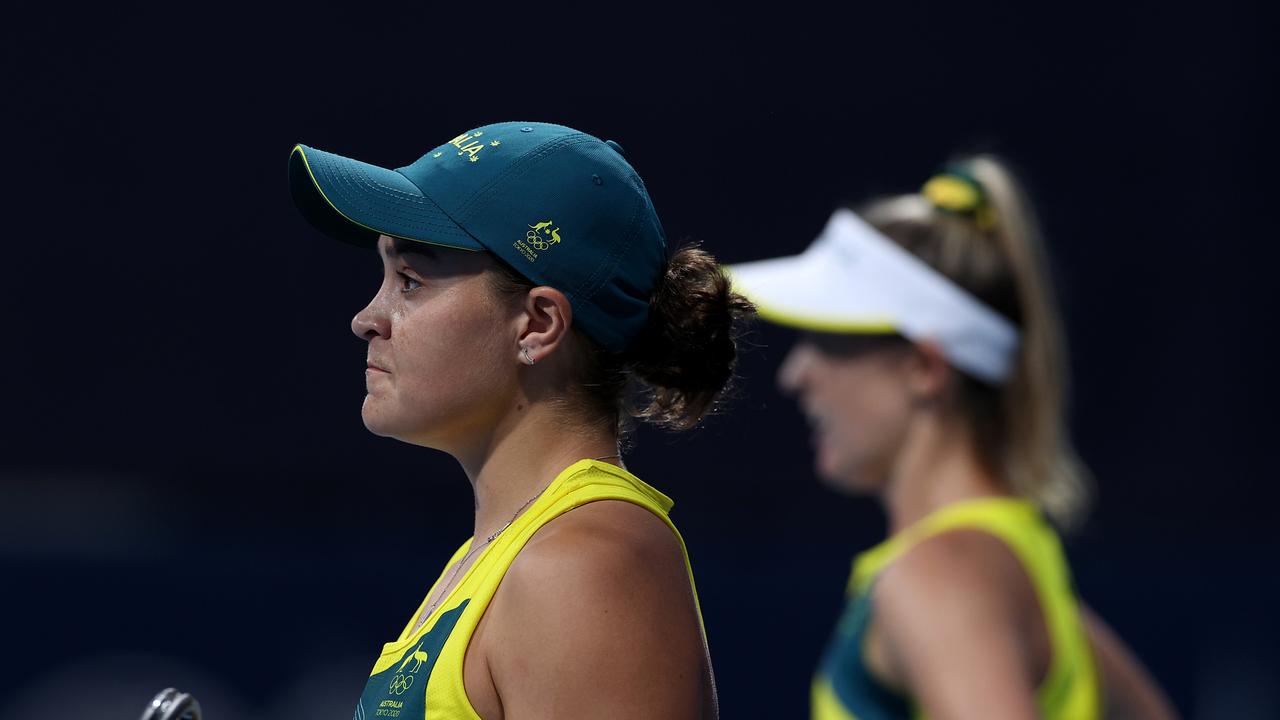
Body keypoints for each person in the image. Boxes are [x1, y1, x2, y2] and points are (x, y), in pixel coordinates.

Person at [288, 121, 752, 720]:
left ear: (537, 325)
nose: (367, 318)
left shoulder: (584, 563)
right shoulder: (496, 559)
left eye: (410, 280)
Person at [726, 156, 1177, 719]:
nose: (797, 375)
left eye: (831, 339)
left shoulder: (937, 582)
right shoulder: (1015, 572)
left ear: (925, 368)